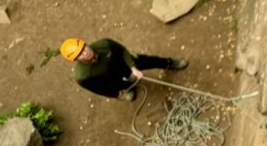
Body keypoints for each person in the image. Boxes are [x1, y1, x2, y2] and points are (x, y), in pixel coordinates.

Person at [60, 37, 188, 101]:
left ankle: (169, 63)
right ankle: (128, 89)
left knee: (150, 60)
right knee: (122, 85)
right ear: (76, 60)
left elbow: (122, 51)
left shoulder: (104, 44)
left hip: (125, 63)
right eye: (80, 54)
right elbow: (99, 89)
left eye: (84, 48)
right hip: (111, 78)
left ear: (86, 44)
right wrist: (117, 94)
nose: (85, 53)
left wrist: (133, 67)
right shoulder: (83, 76)